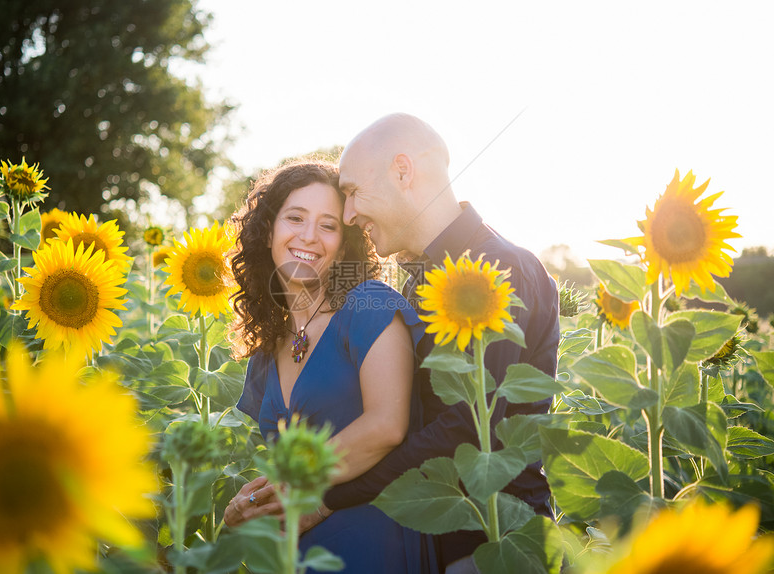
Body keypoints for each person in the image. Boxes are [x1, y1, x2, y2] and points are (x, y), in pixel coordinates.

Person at [326, 113, 561, 574]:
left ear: (402, 171)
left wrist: (332, 496)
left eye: (352, 192)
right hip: (426, 542)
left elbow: (469, 426)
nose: (348, 215)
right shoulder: (417, 280)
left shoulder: (497, 269)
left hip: (494, 543)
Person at [224, 160, 437, 573]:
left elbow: (386, 426)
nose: (308, 236)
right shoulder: (268, 347)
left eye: (328, 225)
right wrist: (246, 506)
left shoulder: (368, 306)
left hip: (375, 545)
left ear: (345, 243)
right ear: (269, 229)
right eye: (295, 218)